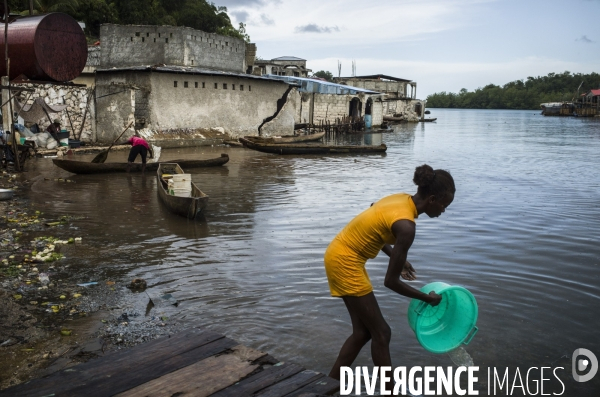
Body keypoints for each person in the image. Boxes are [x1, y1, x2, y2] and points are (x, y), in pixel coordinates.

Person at [324, 164, 456, 380]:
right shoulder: (407, 227)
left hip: (340, 254)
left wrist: (399, 259)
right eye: (444, 205)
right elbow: (391, 282)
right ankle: (390, 393)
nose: (443, 210)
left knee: (363, 332)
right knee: (382, 332)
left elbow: (375, 214)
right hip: (345, 262)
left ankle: (328, 384)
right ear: (432, 199)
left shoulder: (401, 200)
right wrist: (427, 298)